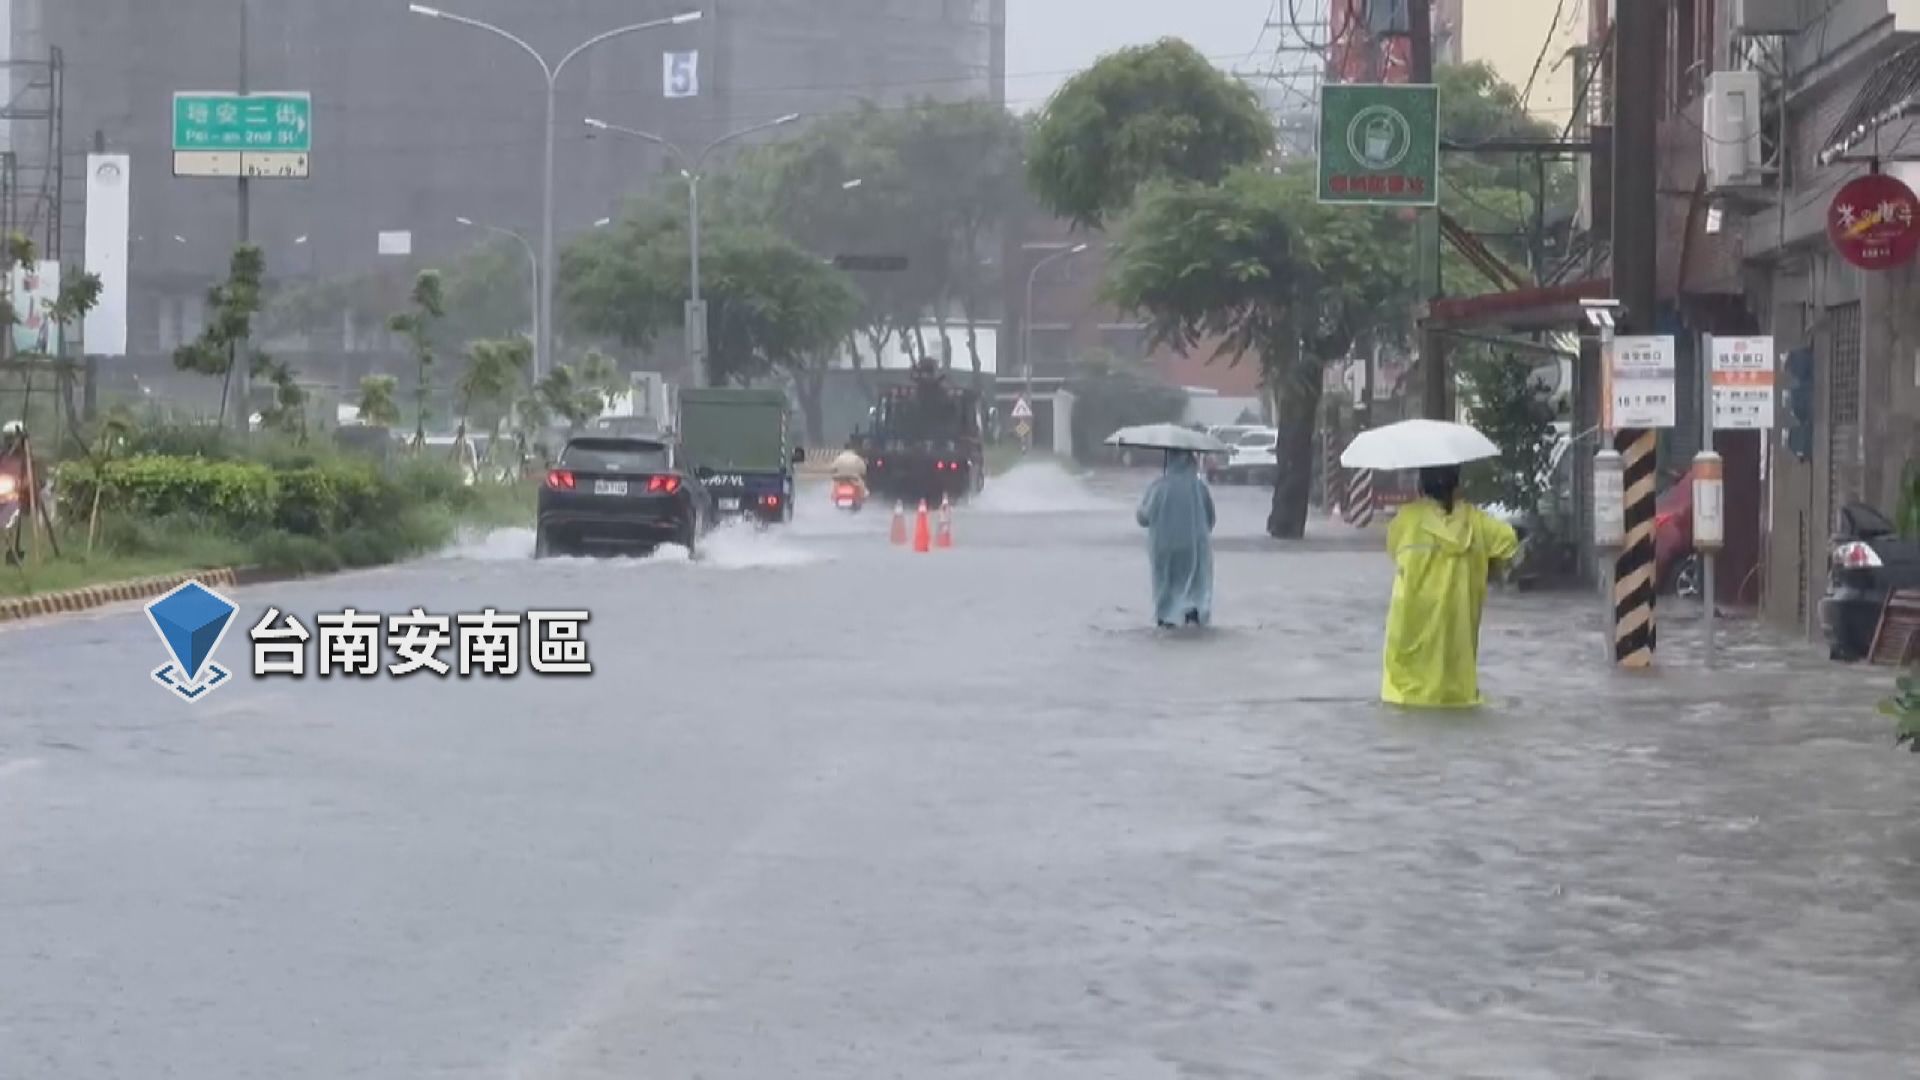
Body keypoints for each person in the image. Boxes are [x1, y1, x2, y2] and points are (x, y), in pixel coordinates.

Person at [1380, 464, 1521, 708]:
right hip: (1457, 658)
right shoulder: (1478, 524)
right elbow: (1510, 543)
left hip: (1408, 649)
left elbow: (1394, 551)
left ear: (1421, 486)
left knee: (1403, 705)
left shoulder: (1406, 521)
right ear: (1457, 485)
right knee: (1457, 701)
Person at [1135, 449, 1216, 628]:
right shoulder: (1199, 487)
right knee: (1195, 585)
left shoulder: (1158, 487)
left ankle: (1166, 619)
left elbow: (1143, 517)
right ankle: (1193, 615)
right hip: (1194, 547)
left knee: (1166, 585)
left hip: (1163, 548)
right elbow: (1210, 519)